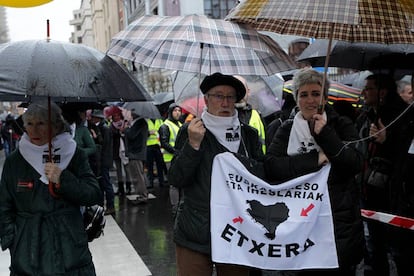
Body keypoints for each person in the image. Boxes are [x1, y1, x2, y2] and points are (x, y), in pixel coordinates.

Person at [265, 68, 364, 275]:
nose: (310, 100)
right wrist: (314, 159)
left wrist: (326, 135)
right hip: (298, 221)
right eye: (304, 95)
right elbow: (272, 167)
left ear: (325, 97)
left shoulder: (342, 124)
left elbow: (354, 163)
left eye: (316, 94)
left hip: (337, 222)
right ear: (297, 98)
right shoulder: (286, 129)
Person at [169, 72, 264, 276]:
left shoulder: (248, 135)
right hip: (195, 229)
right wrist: (193, 145)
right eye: (218, 96)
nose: (225, 102)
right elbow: (177, 178)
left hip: (238, 229)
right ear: (206, 99)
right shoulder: (191, 131)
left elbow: (261, 177)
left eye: (230, 97)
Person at [0, 100, 101, 275]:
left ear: (55, 126)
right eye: (29, 124)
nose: (34, 130)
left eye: (41, 123)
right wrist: (14, 240)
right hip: (28, 252)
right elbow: (4, 206)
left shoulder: (73, 153)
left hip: (70, 248)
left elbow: (93, 194)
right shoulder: (14, 161)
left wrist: (63, 179)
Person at [355, 73, 410, 276]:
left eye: (369, 88)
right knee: (373, 244)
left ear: (382, 92)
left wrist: (387, 140)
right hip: (367, 188)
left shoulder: (401, 117)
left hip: (392, 194)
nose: (364, 92)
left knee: (397, 248)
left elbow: (404, 156)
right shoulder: (366, 114)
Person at [90, 109, 115, 215]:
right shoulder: (99, 127)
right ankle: (101, 206)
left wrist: (95, 137)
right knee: (101, 183)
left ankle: (110, 206)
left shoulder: (104, 128)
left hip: (103, 160)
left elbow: (104, 144)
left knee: (106, 183)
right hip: (100, 160)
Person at [159, 103, 183, 214]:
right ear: (170, 112)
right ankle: (175, 207)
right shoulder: (165, 126)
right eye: (175, 110)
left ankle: (181, 204)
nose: (178, 113)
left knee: (181, 182)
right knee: (174, 183)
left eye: (179, 110)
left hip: (180, 157)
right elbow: (164, 143)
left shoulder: (179, 124)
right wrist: (175, 152)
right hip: (170, 158)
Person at [234, 75, 267, 153]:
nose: (240, 94)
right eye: (235, 90)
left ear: (248, 92)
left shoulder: (257, 115)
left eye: (242, 90)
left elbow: (265, 142)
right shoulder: (222, 117)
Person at [124, 111, 149, 204]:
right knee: (139, 174)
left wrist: (126, 129)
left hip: (136, 153)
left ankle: (143, 195)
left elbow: (131, 135)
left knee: (138, 175)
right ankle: (142, 194)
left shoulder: (140, 122)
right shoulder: (140, 122)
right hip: (137, 153)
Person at [108, 105, 132, 196]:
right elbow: (111, 135)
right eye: (115, 116)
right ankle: (121, 188)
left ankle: (129, 187)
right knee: (118, 170)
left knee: (127, 169)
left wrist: (124, 131)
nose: (117, 117)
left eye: (118, 115)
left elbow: (129, 135)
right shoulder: (111, 126)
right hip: (116, 150)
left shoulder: (125, 124)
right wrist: (118, 132)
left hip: (125, 149)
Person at [145, 117, 166, 188]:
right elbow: (142, 132)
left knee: (160, 165)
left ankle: (161, 181)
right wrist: (149, 133)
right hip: (148, 145)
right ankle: (150, 182)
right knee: (149, 165)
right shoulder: (146, 121)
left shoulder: (159, 120)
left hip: (158, 145)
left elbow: (163, 130)